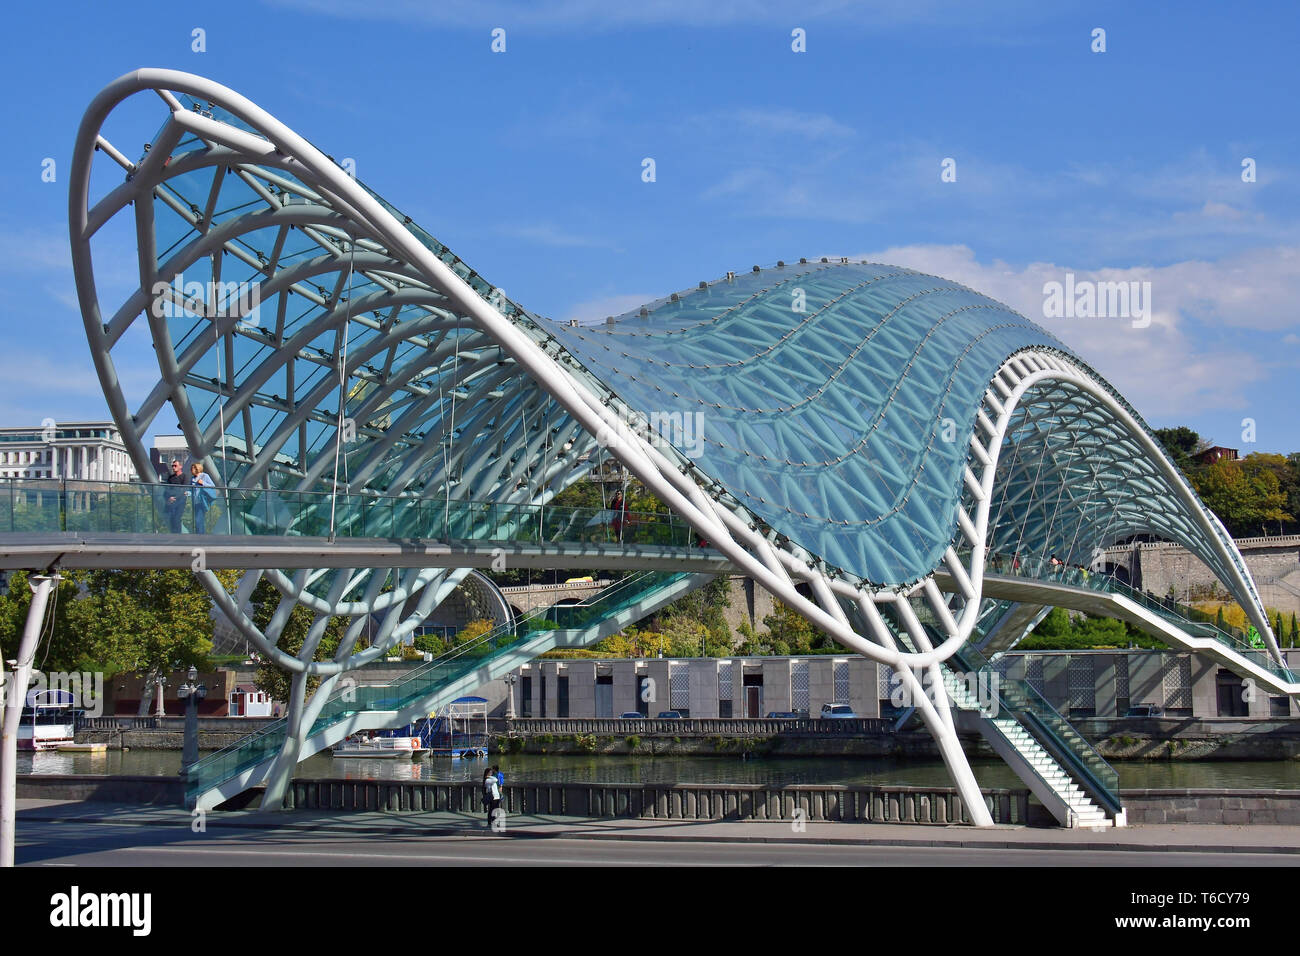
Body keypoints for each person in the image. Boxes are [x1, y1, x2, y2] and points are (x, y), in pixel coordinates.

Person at [163, 458, 188, 533]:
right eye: (172, 466)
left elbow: (184, 489)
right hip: (171, 501)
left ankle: (178, 536)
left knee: (177, 518)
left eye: (175, 466)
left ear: (180, 466)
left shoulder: (184, 477)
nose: (173, 467)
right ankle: (174, 535)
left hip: (180, 501)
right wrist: (168, 498)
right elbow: (166, 490)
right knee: (172, 518)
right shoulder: (170, 478)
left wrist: (176, 497)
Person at [190, 462, 216, 534]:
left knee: (199, 519)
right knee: (198, 520)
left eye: (192, 468)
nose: (191, 470)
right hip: (195, 502)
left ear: (197, 468)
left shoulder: (204, 476)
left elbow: (212, 486)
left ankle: (201, 535)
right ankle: (200, 535)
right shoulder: (192, 479)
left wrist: (203, 483)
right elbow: (191, 490)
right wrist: (188, 493)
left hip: (202, 501)